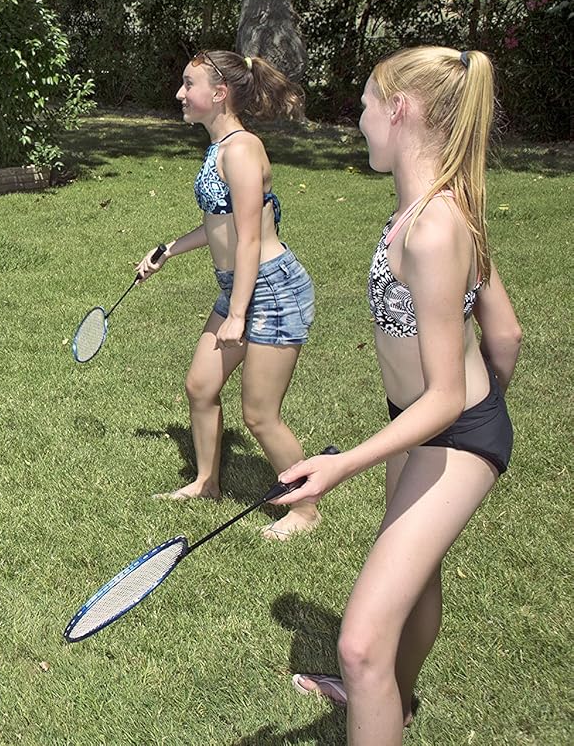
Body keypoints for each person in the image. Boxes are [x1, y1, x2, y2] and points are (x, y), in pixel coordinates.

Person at [275, 47, 520, 743]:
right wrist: (480, 404)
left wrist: (343, 463)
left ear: (399, 109)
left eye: (364, 106)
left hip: (447, 428)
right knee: (417, 584)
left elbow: (447, 396)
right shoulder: (435, 205)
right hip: (422, 425)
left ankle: (376, 689)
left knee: (359, 645)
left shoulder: (435, 228)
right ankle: (395, 702)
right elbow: (506, 333)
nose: (358, 122)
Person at [136, 50, 321, 539]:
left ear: (219, 94)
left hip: (270, 289)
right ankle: (206, 483)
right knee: (201, 386)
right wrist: (168, 250)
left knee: (259, 415)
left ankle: (306, 508)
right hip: (238, 285)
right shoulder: (219, 147)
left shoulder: (240, 150)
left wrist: (238, 313)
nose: (180, 93)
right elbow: (219, 225)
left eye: (188, 84)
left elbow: (251, 238)